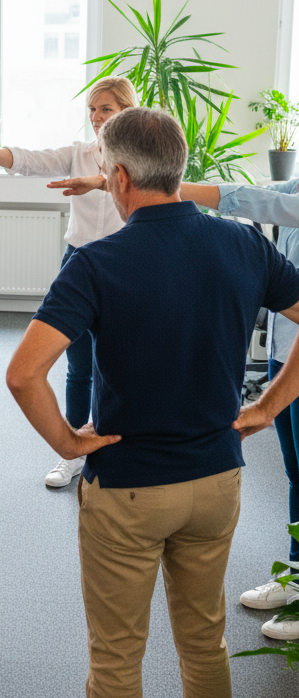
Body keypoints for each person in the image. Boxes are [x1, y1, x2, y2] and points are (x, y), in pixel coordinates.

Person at [7, 106, 299, 698]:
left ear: (118, 178)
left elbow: (23, 375)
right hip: (218, 480)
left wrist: (68, 443)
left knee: (116, 660)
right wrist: (268, 406)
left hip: (130, 488)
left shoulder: (96, 262)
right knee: (205, 642)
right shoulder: (243, 244)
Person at [0, 77, 138, 488]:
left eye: (105, 108)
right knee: (78, 363)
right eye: (92, 109)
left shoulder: (143, 157)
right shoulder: (80, 154)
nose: (96, 117)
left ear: (126, 110)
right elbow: (30, 159)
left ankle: (115, 445)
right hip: (80, 261)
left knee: (122, 363)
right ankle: (71, 448)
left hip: (127, 266)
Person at [174, 178, 299, 641]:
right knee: (296, 472)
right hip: (285, 352)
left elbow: (265, 203)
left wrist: (170, 184)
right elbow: (255, 187)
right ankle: (296, 576)